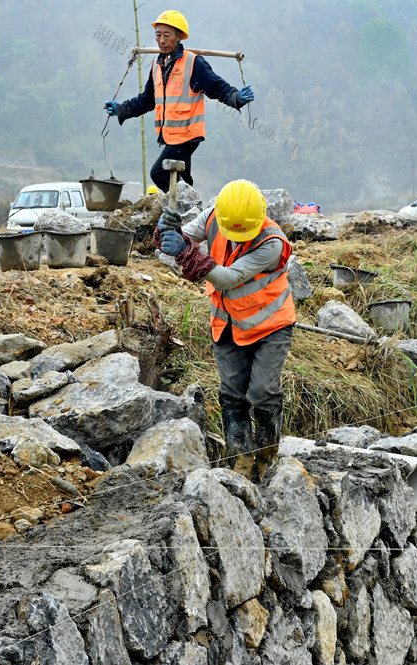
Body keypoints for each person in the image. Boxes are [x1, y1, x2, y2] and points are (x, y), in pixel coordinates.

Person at [155, 179, 294, 482]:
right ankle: (240, 463)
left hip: (270, 327)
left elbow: (229, 277)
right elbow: (179, 240)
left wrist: (187, 252)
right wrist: (166, 230)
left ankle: (267, 455)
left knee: (261, 392)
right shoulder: (216, 215)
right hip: (228, 323)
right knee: (232, 394)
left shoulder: (272, 243)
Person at [104, 11, 254, 193]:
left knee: (159, 173)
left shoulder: (194, 63)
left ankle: (185, 206)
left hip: (188, 134)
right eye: (158, 35)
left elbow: (217, 87)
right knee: (183, 180)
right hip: (170, 136)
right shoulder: (157, 65)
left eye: (167, 35)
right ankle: (190, 215)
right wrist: (121, 109)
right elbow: (147, 100)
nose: (161, 40)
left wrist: (236, 97)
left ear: (179, 37)